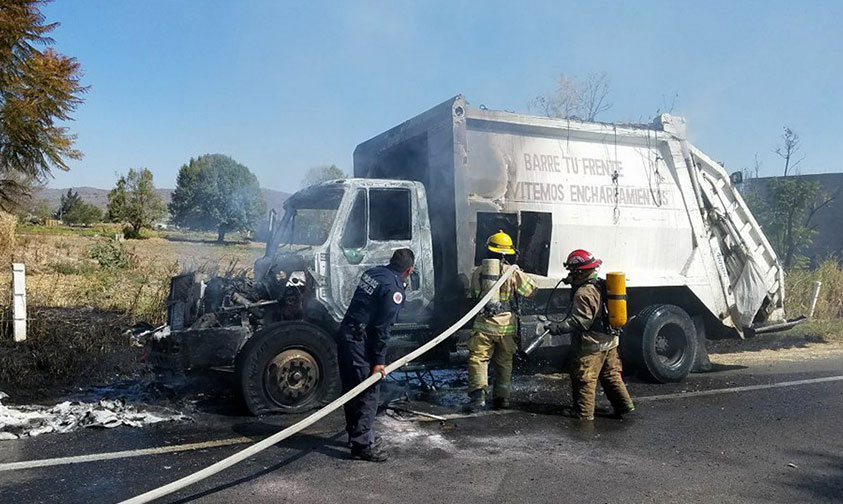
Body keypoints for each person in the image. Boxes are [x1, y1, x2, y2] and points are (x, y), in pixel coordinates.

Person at [336, 248, 414, 462]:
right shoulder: (393, 289)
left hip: (347, 333)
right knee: (368, 392)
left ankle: (355, 435)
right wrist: (379, 361)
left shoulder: (373, 273)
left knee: (352, 389)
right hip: (360, 340)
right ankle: (362, 446)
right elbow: (382, 329)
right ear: (409, 270)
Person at [543, 249, 635, 421]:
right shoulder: (599, 284)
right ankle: (624, 406)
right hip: (611, 339)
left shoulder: (583, 293)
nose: (570, 273)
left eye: (572, 270)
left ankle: (583, 414)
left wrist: (557, 328)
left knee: (584, 377)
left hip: (593, 342)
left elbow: (581, 322)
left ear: (579, 271)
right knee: (611, 374)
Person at [466, 231, 537, 412]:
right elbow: (531, 291)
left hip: (484, 325)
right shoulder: (513, 272)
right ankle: (502, 399)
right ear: (508, 253)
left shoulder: (479, 271)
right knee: (504, 362)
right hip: (507, 326)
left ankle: (478, 397)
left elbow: (474, 295)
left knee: (479, 359)